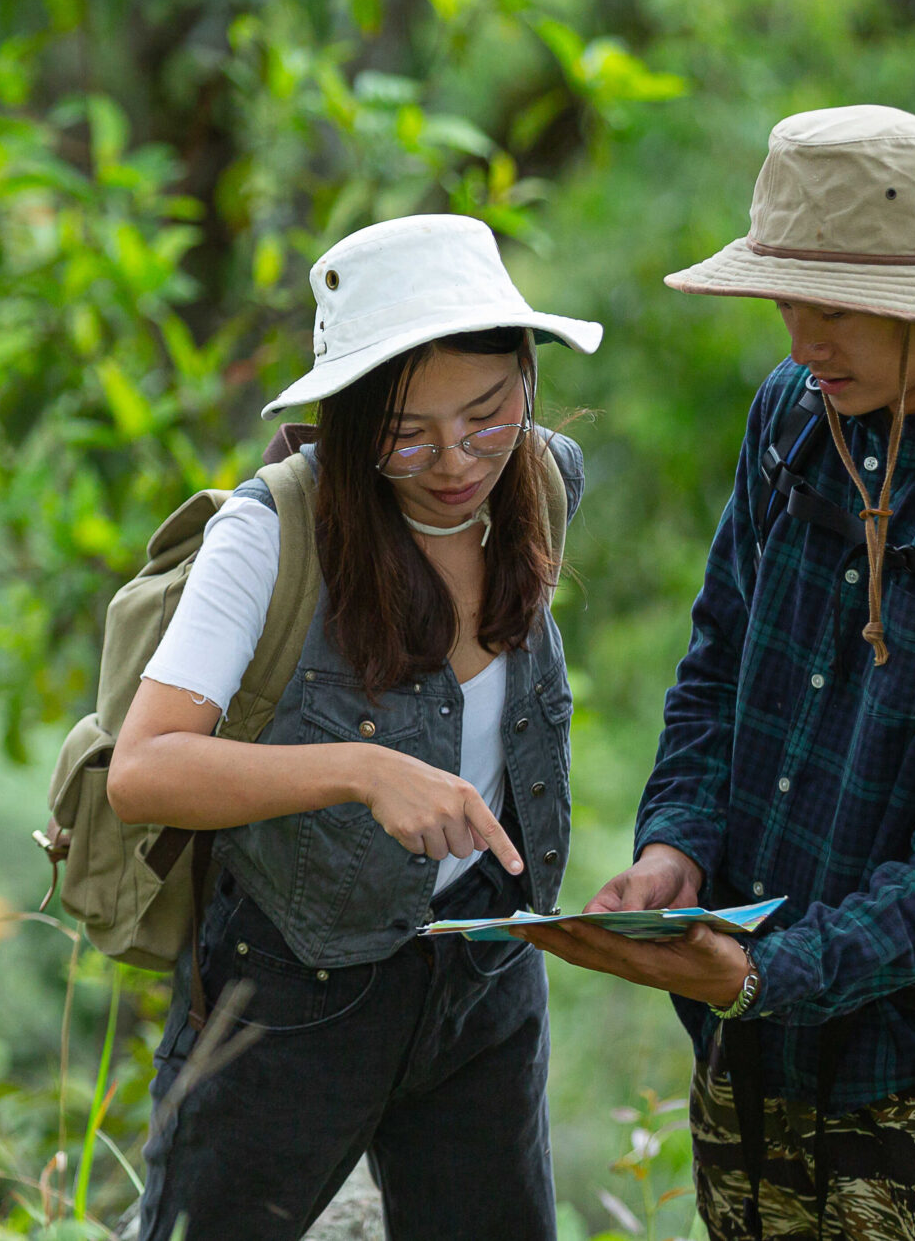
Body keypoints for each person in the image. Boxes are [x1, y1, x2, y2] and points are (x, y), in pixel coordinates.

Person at [523, 107, 915, 1240]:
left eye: (836, 306)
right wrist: (677, 847)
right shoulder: (793, 420)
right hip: (757, 1080)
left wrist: (766, 973)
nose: (802, 338)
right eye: (785, 299)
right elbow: (716, 668)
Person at [111, 212, 598, 1241]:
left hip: (484, 967)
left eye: (488, 412)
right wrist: (360, 770)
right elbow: (145, 770)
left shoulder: (544, 479)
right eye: (405, 431)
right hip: (292, 986)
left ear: (525, 376)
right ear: (343, 416)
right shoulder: (268, 535)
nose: (456, 459)